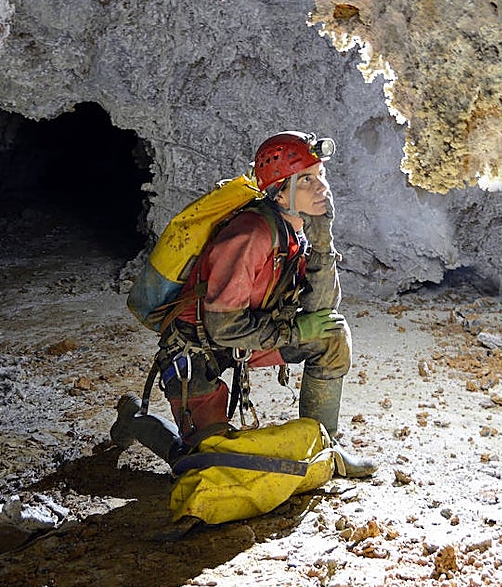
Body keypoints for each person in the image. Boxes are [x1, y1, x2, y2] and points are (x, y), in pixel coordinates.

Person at [111, 131, 377, 478]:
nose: (322, 188)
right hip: (196, 349)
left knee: (330, 336)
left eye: (321, 175)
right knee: (205, 463)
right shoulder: (251, 235)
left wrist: (323, 240)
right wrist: (295, 329)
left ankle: (326, 450)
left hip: (246, 338)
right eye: (307, 180)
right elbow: (224, 327)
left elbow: (322, 311)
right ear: (281, 192)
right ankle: (135, 420)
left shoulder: (296, 229)